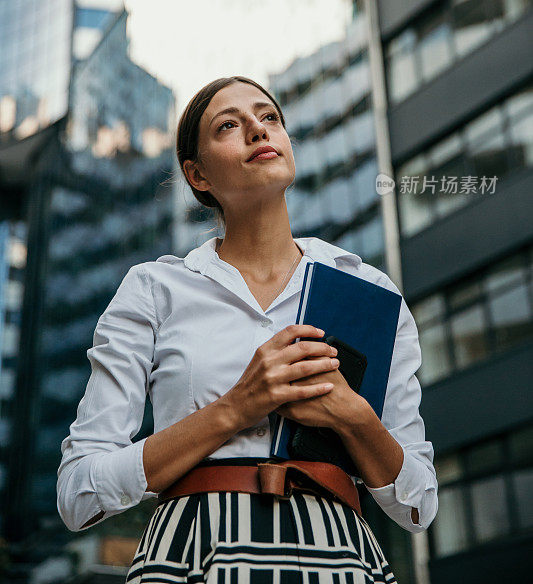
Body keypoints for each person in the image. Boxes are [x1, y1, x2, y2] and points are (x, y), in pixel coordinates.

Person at [57, 75, 438, 583]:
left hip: (338, 553)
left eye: (270, 117)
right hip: (193, 551)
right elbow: (78, 493)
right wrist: (236, 407)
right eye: (230, 125)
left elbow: (418, 506)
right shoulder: (155, 289)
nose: (259, 130)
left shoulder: (368, 291)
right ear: (197, 174)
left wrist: (356, 418)